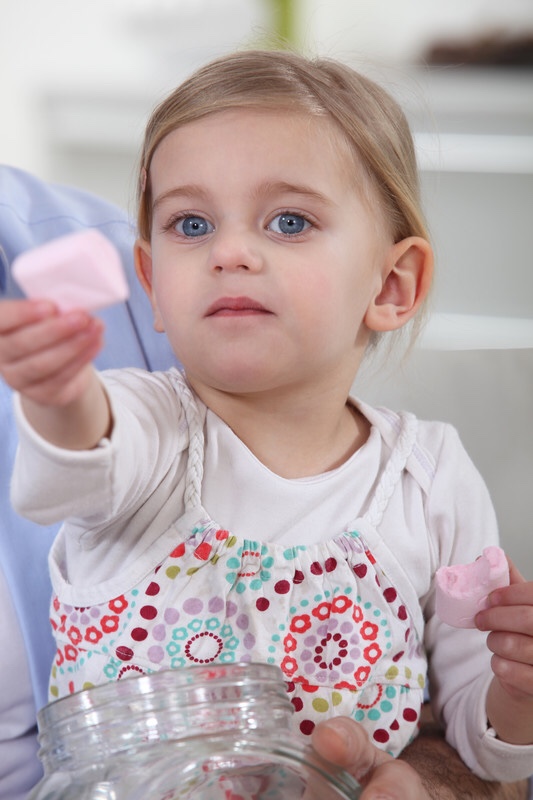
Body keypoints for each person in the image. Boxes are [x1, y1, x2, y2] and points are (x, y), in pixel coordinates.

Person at [1, 48, 532, 791]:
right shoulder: (148, 426)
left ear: (391, 283)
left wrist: (517, 691)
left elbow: (484, 746)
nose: (229, 252)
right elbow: (69, 469)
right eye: (190, 224)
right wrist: (57, 388)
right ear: (150, 286)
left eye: (288, 220)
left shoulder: (430, 475)